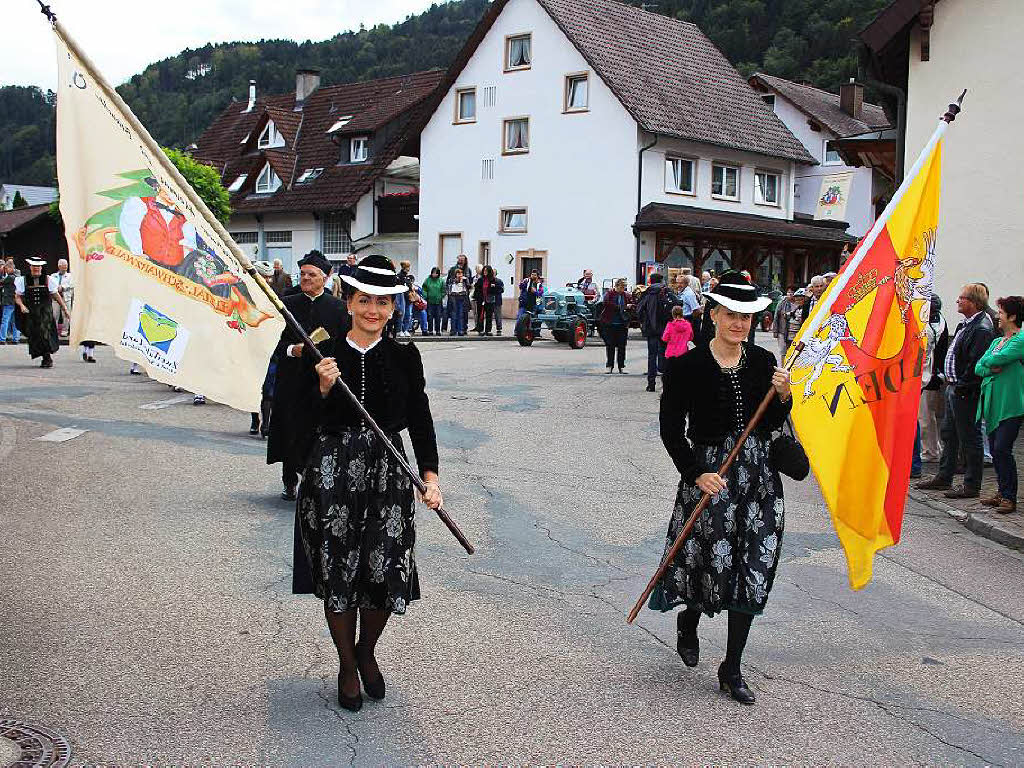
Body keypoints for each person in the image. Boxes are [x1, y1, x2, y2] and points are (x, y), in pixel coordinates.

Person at [297, 254, 443, 712]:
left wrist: (430, 474)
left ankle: (367, 650)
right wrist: (321, 389)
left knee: (383, 571)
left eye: (382, 302)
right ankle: (345, 663)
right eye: (364, 301)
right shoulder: (324, 353)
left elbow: (419, 417)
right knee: (339, 571)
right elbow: (300, 424)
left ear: (394, 307)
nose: (373, 311)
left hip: (389, 473)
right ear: (348, 301)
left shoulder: (405, 355)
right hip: (333, 473)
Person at [650, 270, 790, 706]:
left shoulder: (765, 363)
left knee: (754, 565)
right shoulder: (685, 367)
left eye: (746, 317)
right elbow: (671, 430)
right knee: (706, 562)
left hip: (759, 478)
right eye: (730, 314)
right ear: (712, 315)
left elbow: (767, 426)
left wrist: (782, 398)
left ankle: (731, 667)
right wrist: (696, 473)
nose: (739, 323)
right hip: (710, 475)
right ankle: (689, 619)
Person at [267, 250, 348, 501]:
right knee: (290, 429)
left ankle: (314, 481)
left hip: (321, 381)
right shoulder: (287, 304)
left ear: (325, 278)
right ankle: (289, 480)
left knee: (318, 430)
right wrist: (293, 350)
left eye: (311, 275)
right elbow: (270, 342)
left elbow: (344, 345)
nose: (305, 279)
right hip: (291, 378)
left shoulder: (338, 309)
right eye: (302, 274)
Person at [918, 283, 995, 498]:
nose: (957, 301)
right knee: (949, 434)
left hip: (964, 391)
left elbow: (976, 363)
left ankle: (971, 484)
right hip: (954, 387)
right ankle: (944, 476)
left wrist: (962, 385)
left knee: (970, 437)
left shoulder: (981, 329)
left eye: (962, 298)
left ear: (973, 302)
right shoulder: (967, 324)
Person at [975, 295, 1024, 513]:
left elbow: (996, 360)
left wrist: (990, 363)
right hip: (992, 403)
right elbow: (980, 367)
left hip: (1011, 404)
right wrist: (988, 366)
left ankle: (1010, 496)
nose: (998, 317)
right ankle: (1002, 491)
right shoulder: (997, 342)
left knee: (1002, 448)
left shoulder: (1020, 340)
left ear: (1012, 316)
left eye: (1001, 313)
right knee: (996, 450)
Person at [14, 257, 67, 369]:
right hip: (31, 312)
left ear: (41, 267)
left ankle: (47, 357)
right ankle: (44, 356)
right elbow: (18, 297)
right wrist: (22, 305)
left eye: (38, 266)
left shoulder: (49, 279)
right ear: (30, 267)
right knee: (35, 335)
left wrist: (65, 309)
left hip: (45, 312)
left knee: (44, 333)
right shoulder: (23, 280)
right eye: (34, 266)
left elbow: (56, 295)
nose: (36, 268)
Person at [917, 295, 949, 466]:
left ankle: (930, 451)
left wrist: (938, 373)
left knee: (926, 415)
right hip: (929, 373)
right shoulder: (939, 321)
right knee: (927, 415)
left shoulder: (936, 324)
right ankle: (932, 448)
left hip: (928, 374)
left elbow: (940, 351)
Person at [637, 274, 673, 392]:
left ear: (651, 281)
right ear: (661, 280)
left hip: (650, 329)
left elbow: (639, 310)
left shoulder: (646, 293)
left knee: (652, 355)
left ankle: (651, 384)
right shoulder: (666, 291)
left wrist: (644, 322)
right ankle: (666, 383)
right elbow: (677, 304)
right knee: (663, 354)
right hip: (664, 328)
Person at [599, 278, 630, 374]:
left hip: (622, 324)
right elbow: (606, 304)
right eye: (621, 287)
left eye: (624, 287)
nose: (623, 289)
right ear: (617, 286)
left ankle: (621, 366)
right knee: (610, 345)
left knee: (622, 346)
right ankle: (609, 366)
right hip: (610, 323)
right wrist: (621, 307)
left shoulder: (626, 295)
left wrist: (629, 307)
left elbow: (630, 306)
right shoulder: (609, 294)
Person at [772, 288, 797, 363]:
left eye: (792, 293)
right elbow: (776, 317)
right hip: (782, 331)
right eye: (788, 292)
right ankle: (783, 367)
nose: (790, 294)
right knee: (783, 351)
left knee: (793, 351)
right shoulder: (782, 303)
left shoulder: (799, 303)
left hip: (794, 331)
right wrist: (775, 331)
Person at [479, 264, 502, 336]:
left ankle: (488, 330)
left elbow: (498, 289)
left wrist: (492, 289)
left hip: (490, 300)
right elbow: (477, 289)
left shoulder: (493, 280)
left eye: (486, 271)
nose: (485, 272)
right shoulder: (480, 280)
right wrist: (479, 297)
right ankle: (481, 330)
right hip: (481, 300)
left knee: (489, 316)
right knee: (481, 316)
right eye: (484, 270)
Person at [1, 259, 20, 345]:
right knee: (15, 321)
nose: (5, 270)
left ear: (10, 268)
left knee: (5, 320)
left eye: (6, 268)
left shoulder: (10, 277)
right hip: (16, 301)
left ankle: (2, 339)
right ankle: (16, 339)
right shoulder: (18, 275)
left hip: (8, 301)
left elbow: (2, 281)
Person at [53, 259, 73, 338]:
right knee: (55, 315)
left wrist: (63, 287)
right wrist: (56, 287)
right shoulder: (53, 275)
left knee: (66, 315)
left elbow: (72, 284)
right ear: (59, 266)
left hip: (66, 298)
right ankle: (54, 330)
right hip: (55, 298)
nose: (65, 268)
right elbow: (50, 284)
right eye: (63, 266)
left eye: (66, 266)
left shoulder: (70, 276)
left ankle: (65, 331)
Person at [447, 268, 470, 336]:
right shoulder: (452, 280)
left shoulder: (465, 280)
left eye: (460, 273)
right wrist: (457, 280)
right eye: (458, 273)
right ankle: (453, 330)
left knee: (460, 315)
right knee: (454, 314)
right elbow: (449, 288)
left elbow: (468, 287)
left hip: (462, 298)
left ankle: (460, 330)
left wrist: (465, 281)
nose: (459, 275)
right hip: (454, 297)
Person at [422, 267, 445, 336]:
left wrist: (441, 296)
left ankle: (438, 330)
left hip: (438, 302)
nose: (434, 274)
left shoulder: (441, 281)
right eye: (433, 273)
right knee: (430, 316)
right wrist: (425, 295)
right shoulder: (427, 280)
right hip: (429, 301)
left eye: (436, 273)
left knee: (438, 316)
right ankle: (430, 330)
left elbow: (443, 290)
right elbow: (424, 288)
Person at [488, 268, 505, 335]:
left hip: (497, 300)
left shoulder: (499, 281)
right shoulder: (489, 280)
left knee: (498, 315)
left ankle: (499, 329)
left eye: (494, 273)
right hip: (490, 300)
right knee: (489, 315)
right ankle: (489, 329)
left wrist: (495, 287)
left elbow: (502, 290)